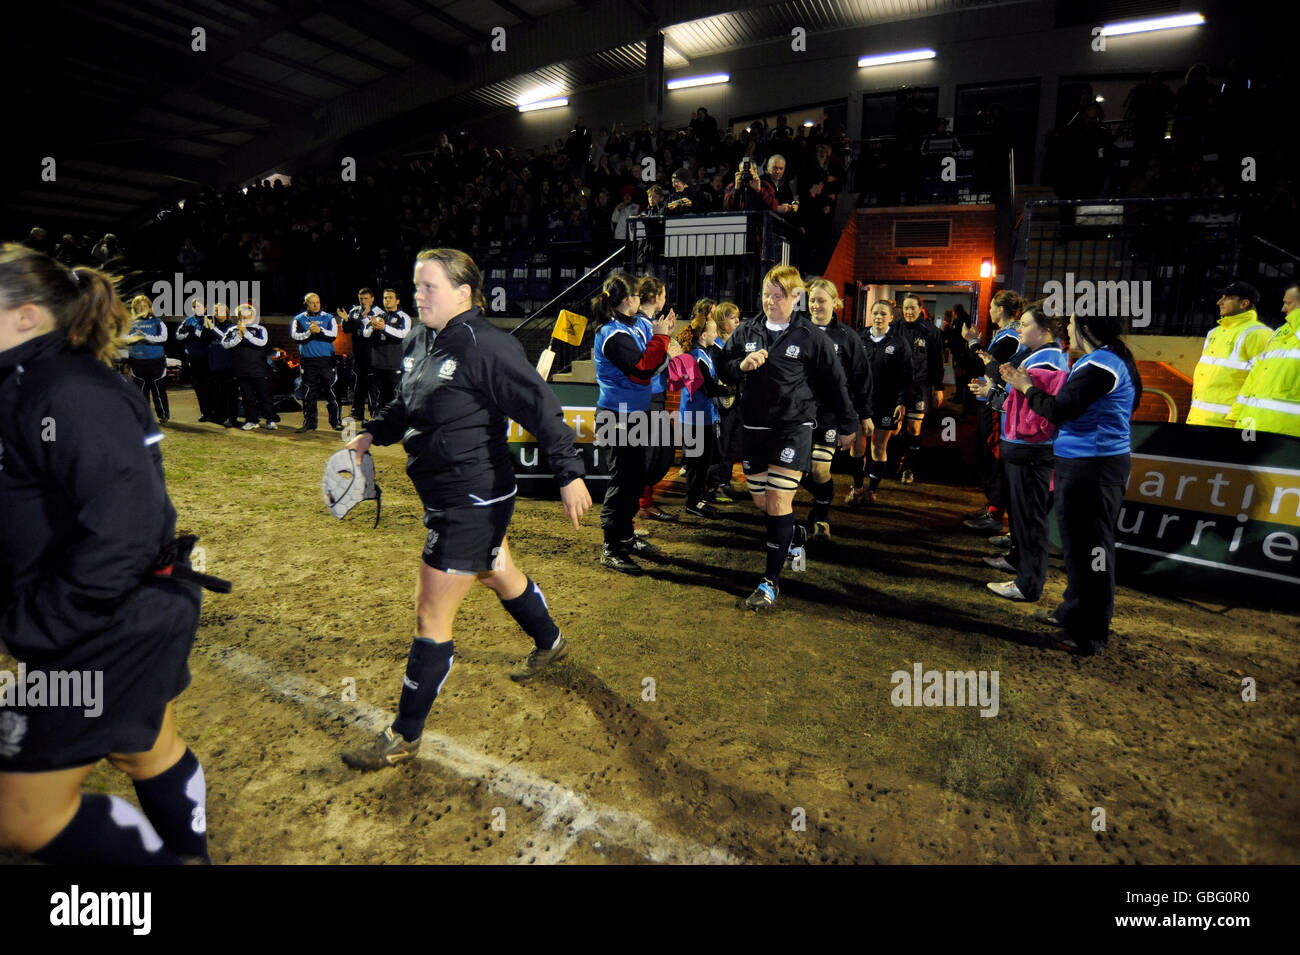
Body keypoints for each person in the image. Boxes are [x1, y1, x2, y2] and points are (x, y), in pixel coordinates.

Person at [341, 248, 592, 770]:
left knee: (431, 613)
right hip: (445, 492)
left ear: (463, 292)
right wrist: (371, 433)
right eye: (417, 286)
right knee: (497, 571)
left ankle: (404, 735)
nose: (418, 295)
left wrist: (569, 473)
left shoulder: (489, 346)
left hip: (471, 497)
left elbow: (542, 408)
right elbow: (405, 404)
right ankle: (551, 642)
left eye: (429, 286)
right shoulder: (417, 337)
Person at [0, 244, 210, 863]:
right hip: (105, 608)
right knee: (145, 748)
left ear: (27, 316)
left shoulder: (67, 387)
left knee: (20, 817)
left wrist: (33, 623)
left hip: (112, 617)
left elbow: (126, 530)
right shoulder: (26, 381)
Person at [1001, 311, 1143, 655]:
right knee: (1079, 549)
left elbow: (1059, 409)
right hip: (1082, 464)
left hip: (1093, 469)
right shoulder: (1102, 359)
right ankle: (1072, 611)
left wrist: (1026, 386)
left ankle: (1089, 632)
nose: (1067, 328)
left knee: (1093, 551)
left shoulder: (1101, 365)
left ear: (1088, 329)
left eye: (1073, 323)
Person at [720, 265, 857, 610]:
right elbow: (723, 366)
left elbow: (835, 382)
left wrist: (848, 422)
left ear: (796, 297)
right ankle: (794, 534)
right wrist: (741, 366)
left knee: (779, 502)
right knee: (764, 505)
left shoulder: (811, 336)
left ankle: (770, 584)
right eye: (766, 294)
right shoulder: (747, 330)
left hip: (792, 429)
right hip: (753, 429)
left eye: (777, 296)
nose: (769, 301)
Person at [974, 303, 1070, 602]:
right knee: (1024, 519)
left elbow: (1037, 417)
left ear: (1044, 331)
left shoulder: (1046, 363)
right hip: (1025, 450)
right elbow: (1021, 407)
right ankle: (1022, 571)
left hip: (1031, 452)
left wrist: (997, 394)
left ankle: (1027, 583)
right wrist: (992, 395)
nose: (1018, 329)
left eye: (1025, 325)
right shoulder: (1039, 358)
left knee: (1030, 522)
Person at [593, 272, 679, 574]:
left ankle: (626, 536)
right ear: (629, 299)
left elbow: (660, 361)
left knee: (635, 477)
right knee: (623, 480)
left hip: (637, 414)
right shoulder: (611, 334)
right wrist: (661, 340)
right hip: (615, 417)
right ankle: (611, 546)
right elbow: (643, 370)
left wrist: (662, 341)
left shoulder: (641, 324)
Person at [802, 278, 872, 537]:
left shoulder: (846, 337)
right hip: (799, 413)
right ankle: (822, 497)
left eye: (821, 300)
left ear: (835, 302)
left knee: (820, 470)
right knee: (793, 469)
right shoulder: (799, 331)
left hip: (829, 414)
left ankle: (821, 517)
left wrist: (863, 415)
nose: (816, 305)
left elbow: (861, 378)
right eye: (812, 300)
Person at [962, 291, 1024, 533]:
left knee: (994, 455)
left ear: (1002, 309)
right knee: (987, 455)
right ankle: (992, 507)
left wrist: (972, 342)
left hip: (997, 403)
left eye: (991, 306)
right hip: (989, 399)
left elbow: (986, 365)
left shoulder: (1011, 336)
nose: (988, 310)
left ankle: (996, 513)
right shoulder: (1005, 334)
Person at [849, 299, 912, 506]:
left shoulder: (899, 342)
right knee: (857, 448)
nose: (878, 317)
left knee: (878, 447)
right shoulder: (859, 339)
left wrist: (901, 402)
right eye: (875, 313)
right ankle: (857, 488)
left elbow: (906, 376)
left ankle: (872, 490)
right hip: (860, 403)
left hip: (886, 403)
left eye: (883, 314)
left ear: (891, 317)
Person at [1185, 280, 1271, 427]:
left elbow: (1263, 382)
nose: (1219, 302)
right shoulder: (1215, 333)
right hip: (1198, 420)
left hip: (1229, 425)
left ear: (1244, 303)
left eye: (1228, 298)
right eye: (1221, 297)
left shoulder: (1258, 334)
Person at [1227, 282, 1300, 436]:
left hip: (1287, 434)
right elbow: (1256, 374)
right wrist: (1236, 416)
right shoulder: (1281, 332)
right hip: (1253, 426)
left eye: (1288, 303)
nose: (1283, 309)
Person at [634, 276, 679, 523]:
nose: (664, 298)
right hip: (647, 398)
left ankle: (645, 502)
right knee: (652, 455)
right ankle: (641, 504)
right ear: (655, 297)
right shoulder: (642, 325)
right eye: (662, 294)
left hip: (654, 397)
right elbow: (646, 366)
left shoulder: (649, 324)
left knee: (658, 453)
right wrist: (670, 356)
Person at [897, 293, 944, 484]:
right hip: (896, 387)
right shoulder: (894, 329)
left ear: (920, 309)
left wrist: (938, 387)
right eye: (906, 308)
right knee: (895, 428)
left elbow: (936, 361)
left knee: (914, 428)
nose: (909, 311)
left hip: (919, 386)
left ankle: (909, 468)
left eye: (912, 308)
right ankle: (898, 457)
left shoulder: (930, 331)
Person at [290, 292, 343, 433]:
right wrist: (309, 332)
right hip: (308, 362)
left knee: (331, 392)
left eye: (317, 302)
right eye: (312, 302)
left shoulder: (329, 317)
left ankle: (336, 422)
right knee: (308, 394)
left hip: (326, 361)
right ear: (305, 304)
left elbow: (333, 335)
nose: (315, 305)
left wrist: (319, 330)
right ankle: (309, 423)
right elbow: (295, 336)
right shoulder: (299, 319)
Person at [707, 302, 743, 502]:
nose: (737, 320)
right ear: (721, 320)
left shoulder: (736, 345)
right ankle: (713, 487)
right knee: (719, 445)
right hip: (720, 404)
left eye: (737, 316)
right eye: (731, 317)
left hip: (735, 401)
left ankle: (725, 482)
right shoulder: (716, 347)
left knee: (731, 444)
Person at [221, 303, 277, 431]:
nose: (246, 318)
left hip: (259, 369)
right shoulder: (233, 330)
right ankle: (252, 420)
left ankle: (270, 420)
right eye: (243, 316)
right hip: (241, 370)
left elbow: (261, 342)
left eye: (248, 316)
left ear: (253, 316)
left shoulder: (260, 329)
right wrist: (239, 335)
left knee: (264, 396)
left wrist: (245, 332)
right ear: (239, 317)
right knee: (247, 397)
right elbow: (225, 344)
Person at [124, 294, 171, 423]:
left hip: (156, 362)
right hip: (137, 361)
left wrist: (144, 336)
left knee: (158, 389)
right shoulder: (129, 322)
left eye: (145, 306)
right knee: (140, 391)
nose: (142, 308)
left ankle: (163, 416)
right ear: (134, 308)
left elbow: (163, 337)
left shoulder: (157, 321)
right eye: (139, 306)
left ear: (149, 308)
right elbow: (123, 338)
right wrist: (135, 337)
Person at [364, 288, 411, 411]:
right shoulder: (378, 316)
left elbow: (403, 334)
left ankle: (396, 425)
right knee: (378, 397)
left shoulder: (404, 317)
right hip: (377, 364)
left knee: (395, 397)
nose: (387, 300)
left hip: (394, 365)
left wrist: (384, 328)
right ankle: (377, 423)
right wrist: (373, 328)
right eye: (385, 298)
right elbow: (365, 333)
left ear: (397, 301)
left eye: (390, 297)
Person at [337, 287, 381, 420]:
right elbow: (347, 330)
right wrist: (345, 320)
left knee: (372, 384)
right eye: (361, 299)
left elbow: (376, 332)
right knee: (358, 383)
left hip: (373, 353)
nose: (363, 301)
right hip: (358, 353)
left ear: (372, 299)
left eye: (366, 298)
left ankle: (375, 413)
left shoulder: (379, 312)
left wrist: (366, 316)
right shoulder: (354, 311)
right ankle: (357, 412)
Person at [176, 298, 216, 422]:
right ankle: (205, 412)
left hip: (207, 358)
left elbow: (211, 335)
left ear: (205, 308)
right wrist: (189, 334)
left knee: (209, 385)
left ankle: (214, 412)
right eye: (195, 307)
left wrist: (196, 335)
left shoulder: (209, 319)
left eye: (200, 306)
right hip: (193, 358)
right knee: (198, 386)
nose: (197, 309)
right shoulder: (188, 320)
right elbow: (178, 335)